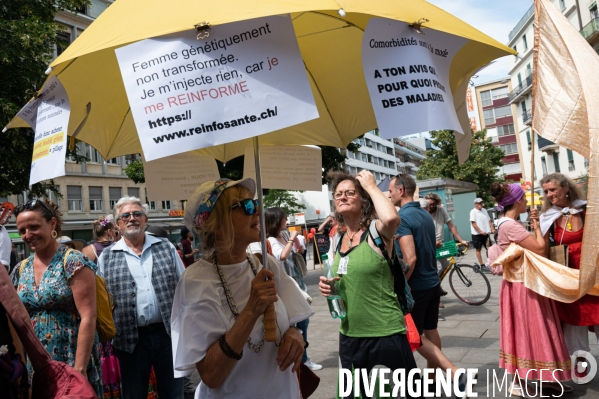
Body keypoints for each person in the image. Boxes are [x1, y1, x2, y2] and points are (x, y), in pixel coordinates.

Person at [170, 178, 313, 398]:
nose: (257, 212)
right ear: (216, 225)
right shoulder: (197, 281)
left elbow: (294, 321)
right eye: (246, 207)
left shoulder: (266, 263)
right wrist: (251, 310)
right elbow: (210, 375)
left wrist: (295, 335)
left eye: (256, 204)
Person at [319, 171, 417, 398]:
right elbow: (342, 278)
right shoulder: (337, 239)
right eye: (338, 194)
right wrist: (329, 287)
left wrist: (371, 186)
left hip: (385, 333)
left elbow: (392, 219)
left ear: (363, 199)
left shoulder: (376, 231)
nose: (342, 197)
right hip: (350, 334)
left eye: (350, 193)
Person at [11, 199, 102, 396]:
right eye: (22, 230)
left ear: (52, 224)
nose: (28, 235)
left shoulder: (73, 261)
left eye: (34, 227)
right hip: (37, 364)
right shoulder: (21, 268)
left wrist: (79, 370)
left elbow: (88, 317)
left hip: (70, 356)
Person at [488, 182, 572, 395]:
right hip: (522, 286)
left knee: (529, 330)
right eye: (524, 199)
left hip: (522, 284)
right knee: (527, 331)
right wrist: (536, 225)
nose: (527, 202)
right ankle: (519, 381)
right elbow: (541, 249)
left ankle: (544, 378)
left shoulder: (507, 223)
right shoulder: (511, 226)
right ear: (517, 201)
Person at [97, 196, 185, 399]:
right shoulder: (107, 256)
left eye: (137, 214)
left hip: (168, 336)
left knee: (173, 394)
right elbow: (101, 299)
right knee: (133, 394)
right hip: (129, 340)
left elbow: (183, 287)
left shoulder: (166, 246)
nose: (132, 218)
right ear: (117, 224)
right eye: (125, 215)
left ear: (146, 220)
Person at [388, 174, 469, 393]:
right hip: (432, 282)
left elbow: (410, 258)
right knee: (431, 330)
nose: (389, 194)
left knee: (411, 335)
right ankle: (432, 380)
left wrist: (400, 286)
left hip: (417, 286)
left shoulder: (402, 218)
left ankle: (453, 372)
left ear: (401, 190)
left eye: (391, 190)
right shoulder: (424, 214)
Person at [539, 173, 599, 370]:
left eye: (553, 189)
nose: (549, 194)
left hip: (593, 273)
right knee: (575, 320)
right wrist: (535, 227)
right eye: (546, 191)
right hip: (568, 275)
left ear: (566, 189)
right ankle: (581, 366)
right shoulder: (547, 217)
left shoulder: (586, 209)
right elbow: (541, 248)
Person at [265, 207, 321, 371]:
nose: (287, 220)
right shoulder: (271, 240)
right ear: (276, 220)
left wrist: (298, 248)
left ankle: (302, 358)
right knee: (300, 321)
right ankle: (302, 360)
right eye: (284, 218)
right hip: (288, 286)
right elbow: (281, 256)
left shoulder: (282, 236)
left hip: (297, 281)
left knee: (303, 320)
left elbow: (290, 254)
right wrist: (291, 240)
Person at [424, 193, 469, 277]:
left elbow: (451, 226)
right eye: (429, 204)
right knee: (431, 269)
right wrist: (432, 241)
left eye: (433, 204)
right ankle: (435, 288)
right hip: (428, 245)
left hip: (439, 244)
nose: (431, 207)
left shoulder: (440, 210)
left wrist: (461, 240)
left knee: (446, 265)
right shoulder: (423, 212)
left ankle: (437, 285)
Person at [470, 198, 495, 267]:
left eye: (481, 203)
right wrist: (480, 231)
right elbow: (473, 223)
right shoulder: (473, 212)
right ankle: (482, 264)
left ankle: (490, 262)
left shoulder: (484, 210)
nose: (481, 204)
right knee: (478, 249)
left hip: (486, 233)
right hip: (477, 234)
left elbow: (489, 220)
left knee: (489, 248)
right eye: (479, 203)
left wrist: (492, 228)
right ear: (475, 204)